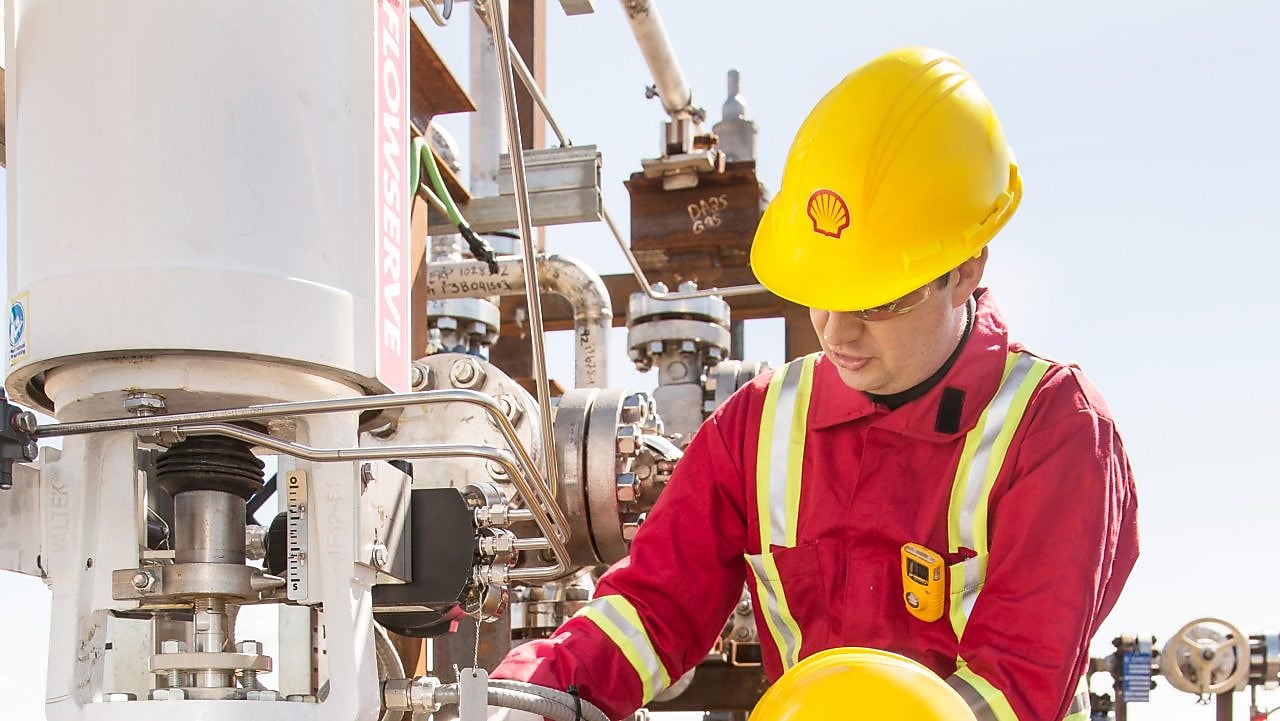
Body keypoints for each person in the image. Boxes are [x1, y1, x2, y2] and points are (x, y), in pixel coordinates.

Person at [492, 46, 1139, 720]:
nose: (836, 332)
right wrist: (533, 696)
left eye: (877, 301)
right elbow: (652, 607)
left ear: (966, 269)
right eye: (821, 292)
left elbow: (1016, 688)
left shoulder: (1055, 431)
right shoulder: (759, 425)